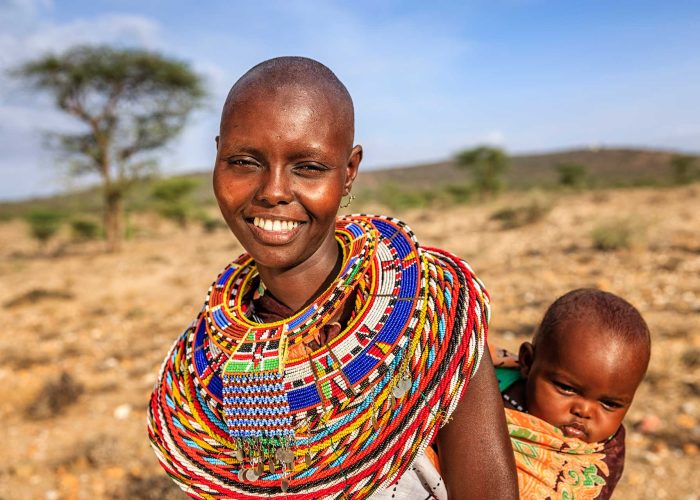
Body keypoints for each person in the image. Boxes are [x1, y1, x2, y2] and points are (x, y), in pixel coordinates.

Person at [148, 56, 518, 499]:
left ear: (349, 172)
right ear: (217, 158)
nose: (274, 191)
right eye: (244, 161)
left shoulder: (430, 314)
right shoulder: (206, 366)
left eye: (309, 167)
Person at [494, 288, 651, 499]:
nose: (584, 410)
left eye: (609, 404)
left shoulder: (604, 455)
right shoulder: (488, 383)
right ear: (528, 362)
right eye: (566, 388)